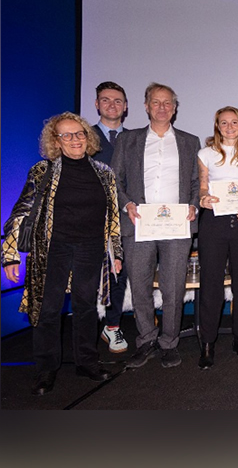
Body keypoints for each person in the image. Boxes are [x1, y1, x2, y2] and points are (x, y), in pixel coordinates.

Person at [3, 113, 123, 395]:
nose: (74, 139)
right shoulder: (41, 171)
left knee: (86, 307)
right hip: (52, 249)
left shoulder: (104, 172)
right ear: (55, 141)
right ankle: (46, 369)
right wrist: (9, 254)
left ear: (87, 136)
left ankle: (86, 362)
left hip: (90, 247)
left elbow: (113, 216)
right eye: (66, 135)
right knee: (48, 309)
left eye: (79, 133)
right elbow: (20, 212)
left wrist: (116, 252)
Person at [114, 83, 200, 370]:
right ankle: (146, 339)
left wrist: (193, 205)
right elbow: (115, 180)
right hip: (138, 224)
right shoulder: (128, 141)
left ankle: (169, 342)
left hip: (177, 225)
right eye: (156, 102)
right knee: (139, 286)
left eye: (167, 103)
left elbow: (196, 183)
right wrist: (126, 204)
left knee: (173, 286)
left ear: (174, 109)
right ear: (146, 106)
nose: (162, 107)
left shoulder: (190, 141)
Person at [197, 106, 238, 369]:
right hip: (214, 222)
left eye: (234, 122)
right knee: (211, 283)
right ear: (217, 125)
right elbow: (203, 185)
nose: (229, 127)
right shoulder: (206, 153)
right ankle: (207, 342)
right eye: (223, 122)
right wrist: (204, 199)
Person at [91, 81, 130, 353]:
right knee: (89, 278)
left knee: (119, 274)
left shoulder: (135, 139)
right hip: (91, 220)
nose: (112, 105)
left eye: (117, 101)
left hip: (125, 219)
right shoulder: (84, 138)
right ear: (97, 104)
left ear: (125, 107)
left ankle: (112, 327)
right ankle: (86, 334)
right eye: (106, 100)